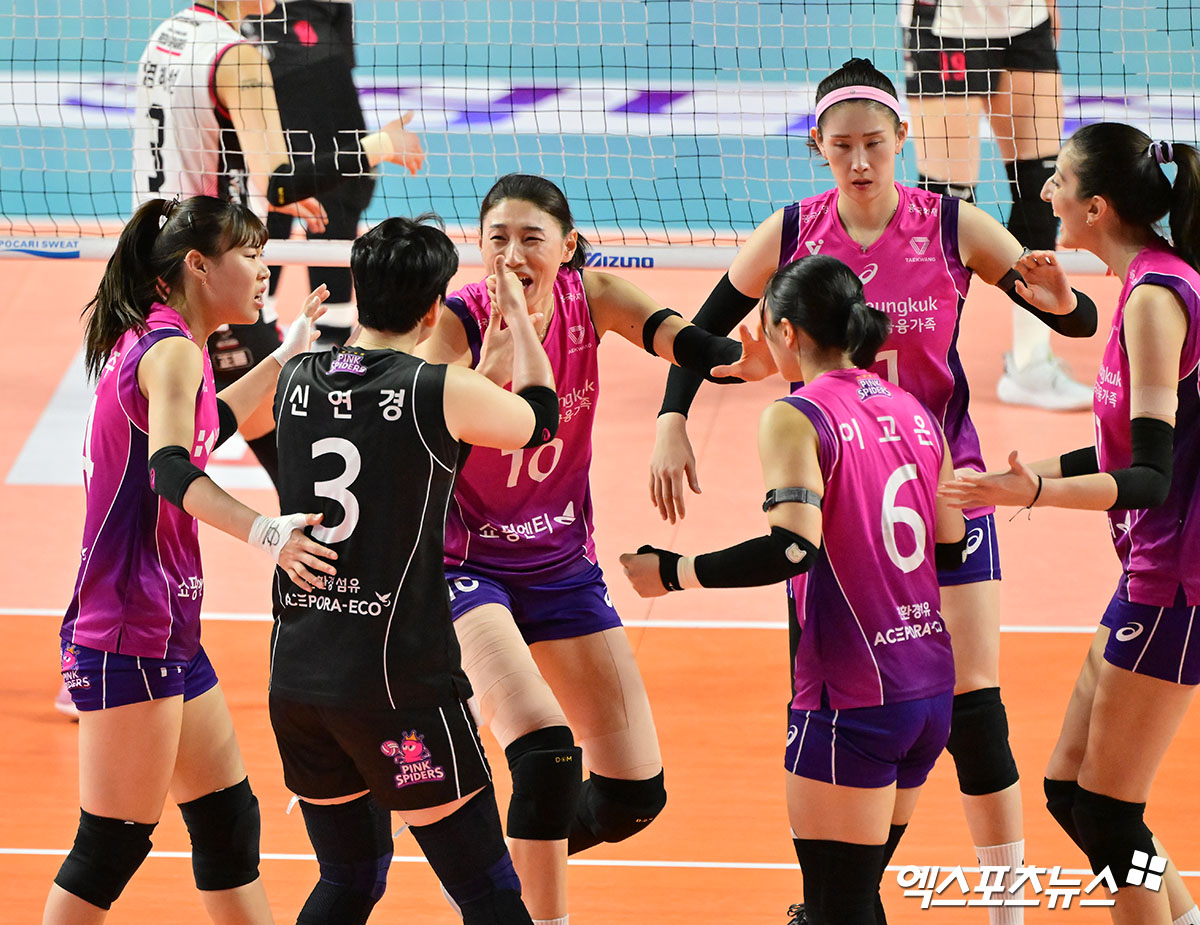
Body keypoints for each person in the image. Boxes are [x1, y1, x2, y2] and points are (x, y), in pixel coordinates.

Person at [648, 58, 1098, 925]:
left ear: (902, 139)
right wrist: (673, 416)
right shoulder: (792, 232)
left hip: (946, 487)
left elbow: (1069, 315)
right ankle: (838, 900)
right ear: (818, 146)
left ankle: (1003, 910)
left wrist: (1064, 303)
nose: (859, 161)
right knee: (832, 708)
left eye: (875, 144)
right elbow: (700, 333)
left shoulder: (953, 225)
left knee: (973, 707)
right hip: (835, 504)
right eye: (842, 145)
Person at [417, 173, 745, 923]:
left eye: (531, 238)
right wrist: (485, 377)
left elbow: (683, 340)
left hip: (562, 568)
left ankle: (485, 867)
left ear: (566, 247)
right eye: (497, 238)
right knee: (546, 755)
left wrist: (745, 358)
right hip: (464, 568)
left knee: (633, 796)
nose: (512, 254)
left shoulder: (591, 297)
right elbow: (415, 454)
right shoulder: (458, 324)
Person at [624, 254, 965, 924]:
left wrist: (673, 571)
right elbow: (951, 543)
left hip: (852, 699)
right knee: (850, 900)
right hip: (927, 691)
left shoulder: (796, 415)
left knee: (834, 909)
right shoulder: (915, 410)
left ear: (785, 331)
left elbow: (791, 547)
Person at [48, 195, 337, 923]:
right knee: (109, 846)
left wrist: (284, 357)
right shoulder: (172, 351)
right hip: (129, 627)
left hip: (164, 623)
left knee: (225, 820)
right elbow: (172, 469)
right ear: (200, 265)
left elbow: (211, 425)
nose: (265, 270)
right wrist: (268, 534)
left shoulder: (172, 339)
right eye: (252, 255)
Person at [267, 215, 561, 924]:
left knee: (348, 881)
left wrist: (479, 373)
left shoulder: (294, 378)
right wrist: (522, 328)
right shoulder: (437, 388)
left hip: (300, 676)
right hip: (398, 683)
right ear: (434, 309)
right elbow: (539, 418)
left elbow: (401, 442)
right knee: (490, 894)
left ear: (357, 287)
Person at [942, 122, 1200, 925]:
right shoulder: (1144, 282)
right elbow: (1124, 445)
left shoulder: (1157, 300)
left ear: (1095, 208)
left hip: (1178, 580)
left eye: (1058, 180)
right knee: (1070, 789)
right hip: (1155, 572)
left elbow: (1149, 478)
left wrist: (1035, 496)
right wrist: (1011, 481)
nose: (1045, 191)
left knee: (1109, 810)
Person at [131, 0, 423, 489]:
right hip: (206, 273)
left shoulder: (169, 35)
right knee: (296, 455)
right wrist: (380, 146)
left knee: (258, 438)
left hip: (154, 257)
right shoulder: (239, 58)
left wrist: (260, 192)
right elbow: (281, 182)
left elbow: (198, 144)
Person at [901, 0, 1093, 410]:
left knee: (1041, 189)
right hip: (947, 24)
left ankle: (1030, 366)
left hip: (1023, 18)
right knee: (947, 201)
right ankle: (917, 361)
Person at [242, 0, 398, 347]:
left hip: (307, 70)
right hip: (305, 70)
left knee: (284, 205)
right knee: (281, 205)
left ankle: (271, 334)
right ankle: (275, 335)